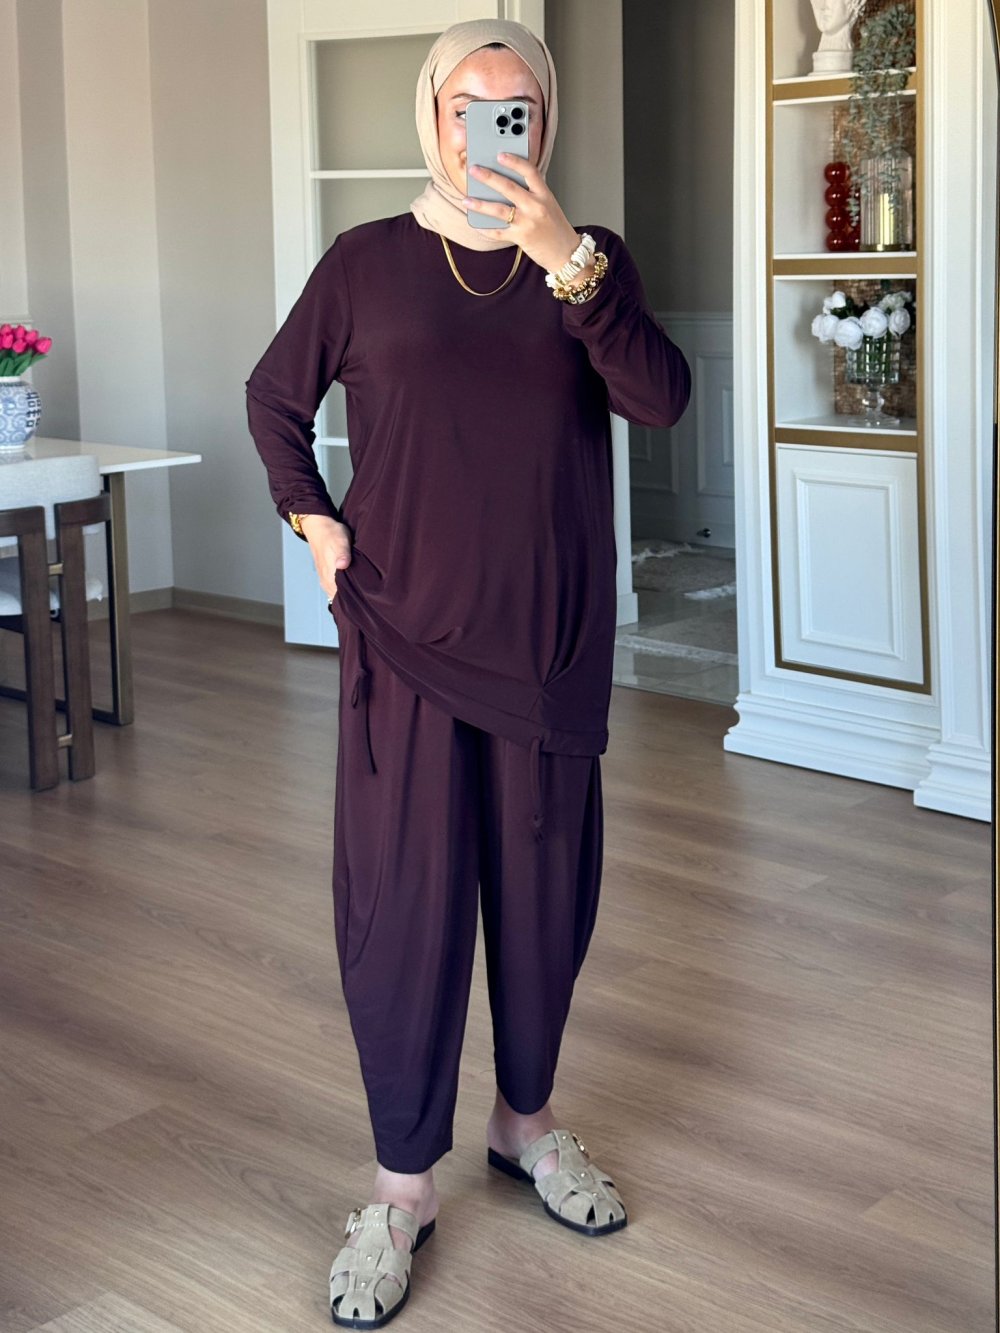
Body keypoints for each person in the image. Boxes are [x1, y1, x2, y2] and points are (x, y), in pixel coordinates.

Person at [246, 18, 690, 1329]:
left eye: (519, 111)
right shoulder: (365, 263)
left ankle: (524, 1125)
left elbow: (661, 398)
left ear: (544, 124)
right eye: (468, 108)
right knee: (403, 913)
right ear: (432, 115)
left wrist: (568, 263)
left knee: (546, 906)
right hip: (403, 642)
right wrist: (314, 521)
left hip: (546, 649)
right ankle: (401, 1187)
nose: (494, 132)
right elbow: (275, 399)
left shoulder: (589, 262)